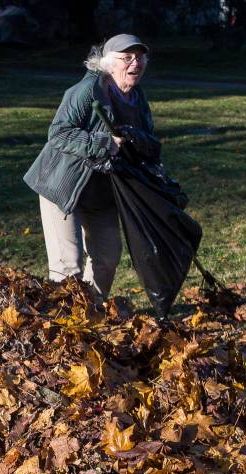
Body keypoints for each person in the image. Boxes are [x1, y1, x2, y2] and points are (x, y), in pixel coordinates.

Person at [23, 34, 155, 300]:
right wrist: (103, 142)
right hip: (62, 186)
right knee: (67, 266)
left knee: (108, 256)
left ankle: (91, 310)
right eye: (126, 58)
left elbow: (148, 139)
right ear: (107, 64)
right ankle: (68, 327)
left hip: (102, 191)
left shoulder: (137, 98)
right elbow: (58, 134)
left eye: (139, 57)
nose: (135, 63)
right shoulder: (86, 91)